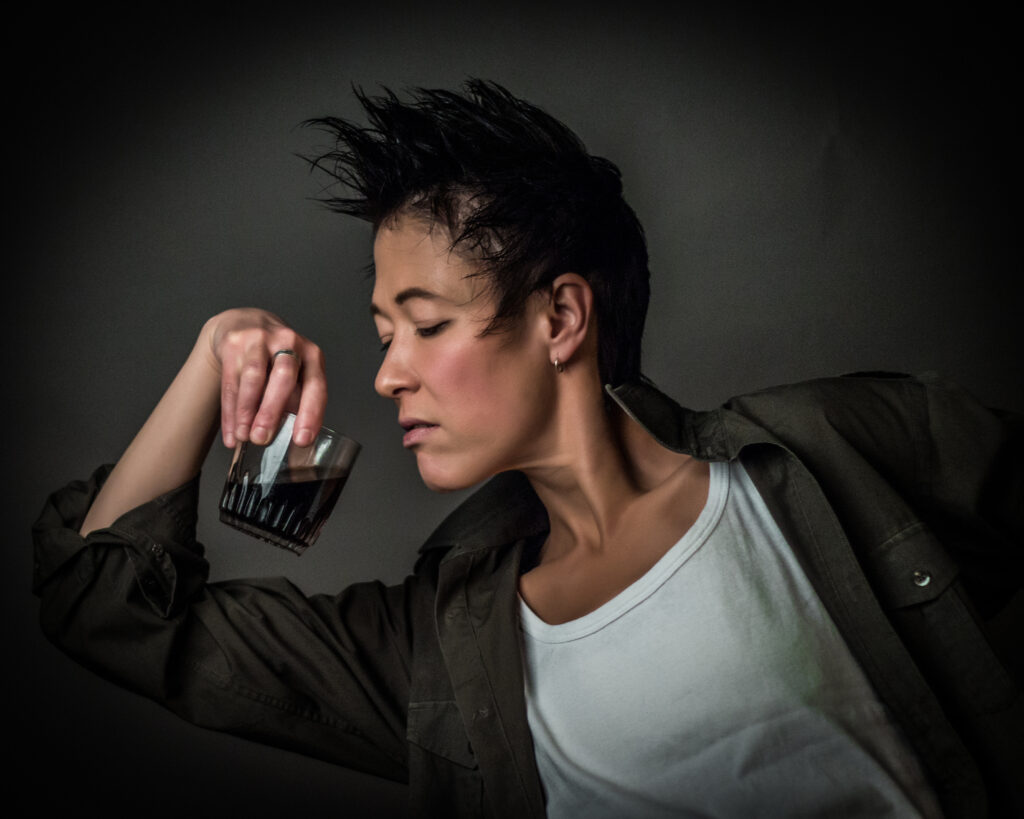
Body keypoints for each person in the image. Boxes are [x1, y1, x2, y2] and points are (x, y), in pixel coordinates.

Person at [32, 80, 1022, 818]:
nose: (387, 376)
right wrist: (216, 354)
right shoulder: (440, 655)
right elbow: (108, 612)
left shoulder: (831, 452)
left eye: (423, 324)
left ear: (560, 316)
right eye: (384, 336)